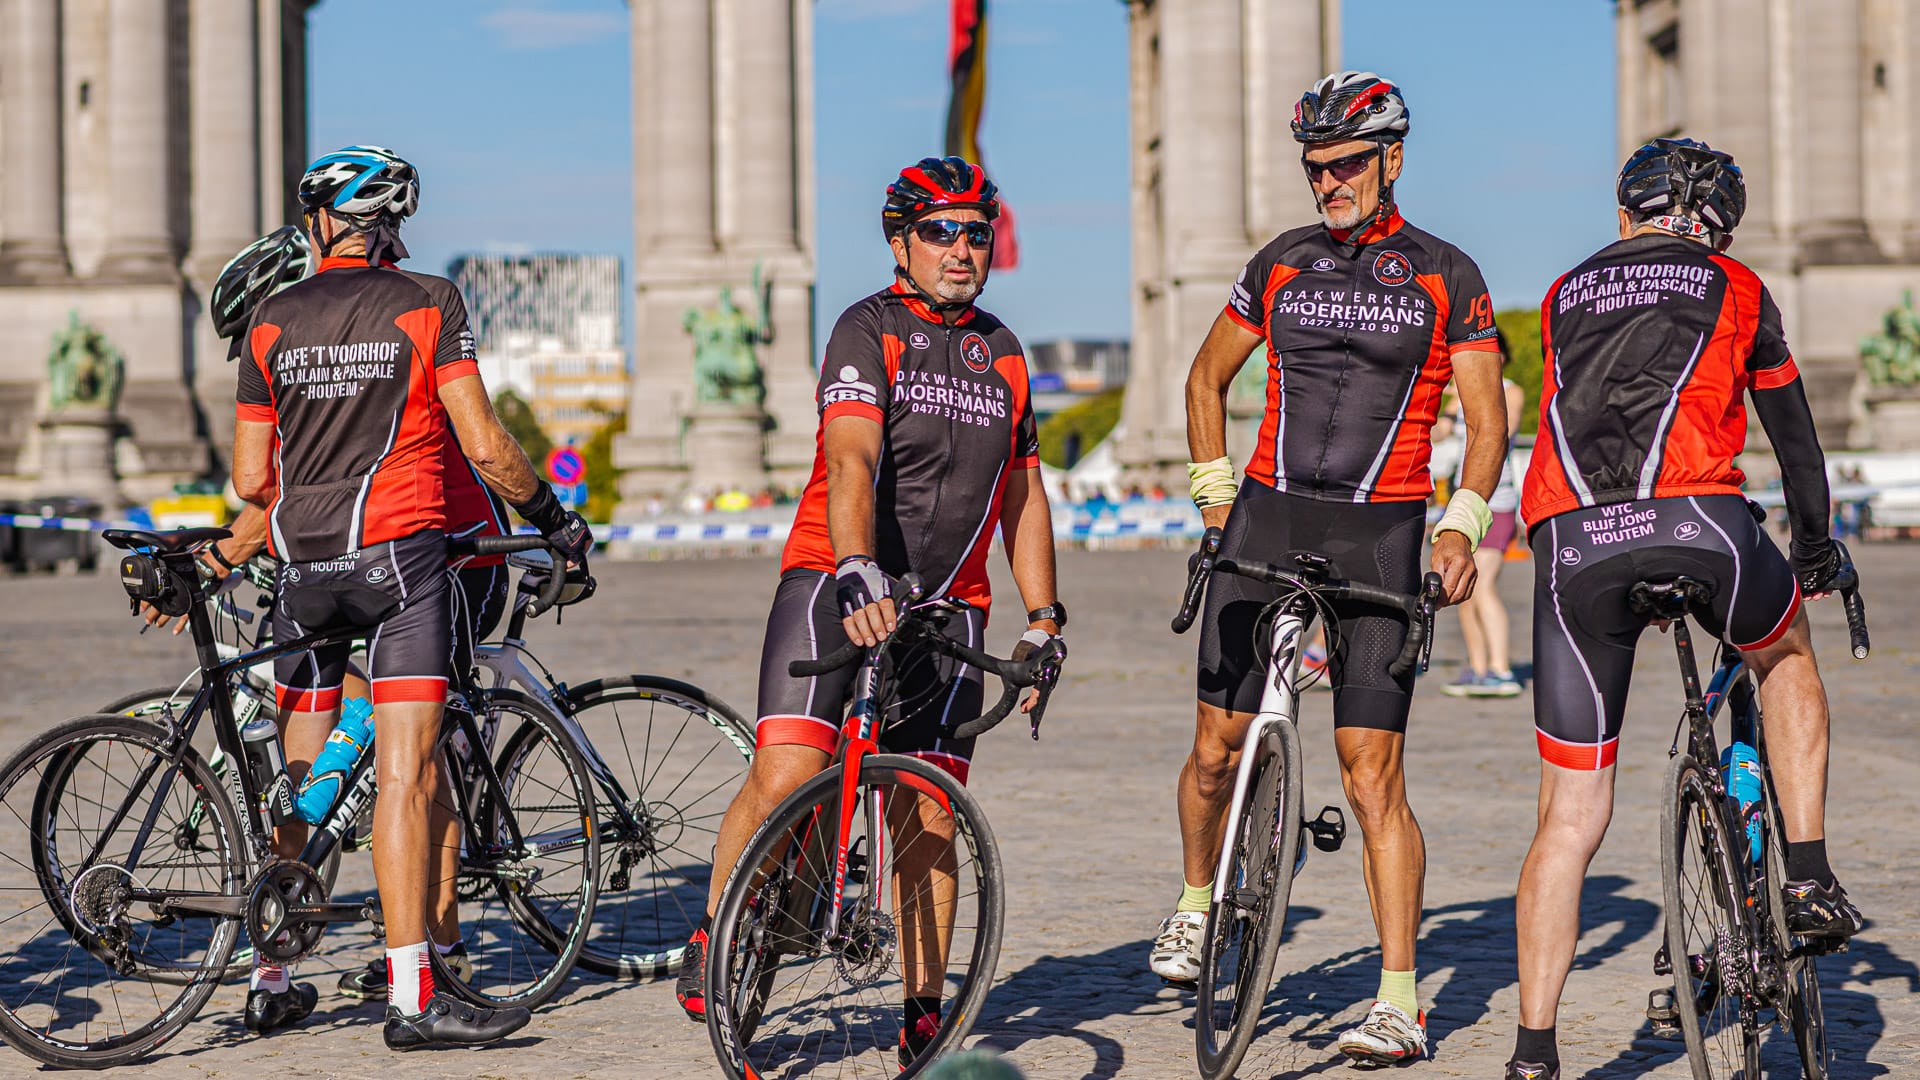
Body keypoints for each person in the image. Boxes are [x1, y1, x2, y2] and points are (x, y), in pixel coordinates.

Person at [674, 156, 1066, 1071]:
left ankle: (922, 1012)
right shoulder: (867, 327)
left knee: (930, 815)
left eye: (976, 233)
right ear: (900, 241)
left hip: (949, 606)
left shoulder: (1006, 351)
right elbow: (851, 455)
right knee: (788, 771)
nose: (961, 249)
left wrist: (1045, 617)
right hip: (834, 578)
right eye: (940, 231)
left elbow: (1024, 495)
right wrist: (856, 566)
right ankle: (717, 925)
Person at [1156, 71, 1509, 1067]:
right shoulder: (1281, 261)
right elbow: (1205, 379)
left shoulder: (1448, 273)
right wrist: (1214, 495)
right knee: (1215, 748)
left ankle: (1399, 1001)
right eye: (1315, 168)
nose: (1329, 183)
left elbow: (1487, 420)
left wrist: (1462, 524)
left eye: (1347, 164)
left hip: (1381, 532)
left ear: (1392, 158)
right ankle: (1195, 901)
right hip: (1266, 516)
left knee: (1370, 775)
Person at [1506, 138, 1863, 1080]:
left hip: (1571, 541)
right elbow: (1797, 443)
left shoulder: (1563, 293)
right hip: (1701, 524)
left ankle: (1534, 1051)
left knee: (1568, 815)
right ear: (1720, 229)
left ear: (1626, 214)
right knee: (1784, 655)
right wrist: (1815, 547)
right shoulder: (1737, 286)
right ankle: (1807, 875)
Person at [230, 146, 591, 1050]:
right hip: (401, 567)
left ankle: (272, 976)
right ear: (390, 224)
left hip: (303, 573)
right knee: (408, 775)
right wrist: (555, 520)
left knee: (306, 784)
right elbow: (487, 443)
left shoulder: (270, 319)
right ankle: (412, 995)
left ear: (322, 224)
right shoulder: (430, 302)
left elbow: (250, 479)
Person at [1437, 335, 1527, 698]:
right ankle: (1478, 669)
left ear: (1502, 356)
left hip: (1496, 503)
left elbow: (1504, 428)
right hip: (1461, 506)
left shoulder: (1511, 390)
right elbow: (1439, 434)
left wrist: (1468, 401)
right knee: (1463, 590)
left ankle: (1502, 670)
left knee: (1484, 584)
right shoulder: (1458, 394)